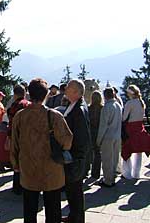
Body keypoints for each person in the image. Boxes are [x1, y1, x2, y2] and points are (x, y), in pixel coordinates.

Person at [11, 78, 73, 223]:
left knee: (29, 210)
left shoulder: (20, 116)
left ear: (28, 94)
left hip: (28, 169)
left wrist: (16, 165)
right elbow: (67, 140)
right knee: (53, 211)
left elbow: (14, 143)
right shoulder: (55, 116)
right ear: (46, 95)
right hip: (52, 169)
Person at [62, 79, 91, 223]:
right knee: (73, 192)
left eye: (68, 87)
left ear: (75, 91)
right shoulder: (74, 105)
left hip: (75, 159)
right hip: (74, 157)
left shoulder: (78, 109)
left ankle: (77, 219)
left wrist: (75, 159)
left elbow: (82, 137)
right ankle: (74, 216)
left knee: (75, 191)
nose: (65, 89)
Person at [121, 85, 150, 179]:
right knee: (139, 151)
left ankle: (127, 173)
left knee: (127, 150)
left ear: (130, 93)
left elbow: (124, 118)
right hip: (140, 127)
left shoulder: (130, 103)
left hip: (130, 129)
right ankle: (136, 173)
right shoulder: (141, 103)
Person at [7, 84, 31, 194]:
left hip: (17, 136)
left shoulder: (14, 105)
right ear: (25, 93)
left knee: (16, 161)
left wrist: (9, 137)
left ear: (15, 94)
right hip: (29, 137)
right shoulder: (29, 105)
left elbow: (11, 123)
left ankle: (17, 187)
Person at [96, 88, 122, 187]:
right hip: (117, 135)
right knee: (115, 158)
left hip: (108, 136)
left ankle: (108, 180)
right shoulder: (118, 105)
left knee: (107, 159)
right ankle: (113, 176)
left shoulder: (107, 107)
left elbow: (103, 126)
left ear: (105, 95)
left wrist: (98, 140)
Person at [88, 91, 104, 179]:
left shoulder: (89, 108)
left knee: (90, 151)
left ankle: (87, 170)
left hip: (90, 131)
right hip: (99, 131)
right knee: (98, 153)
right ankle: (96, 173)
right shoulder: (102, 108)